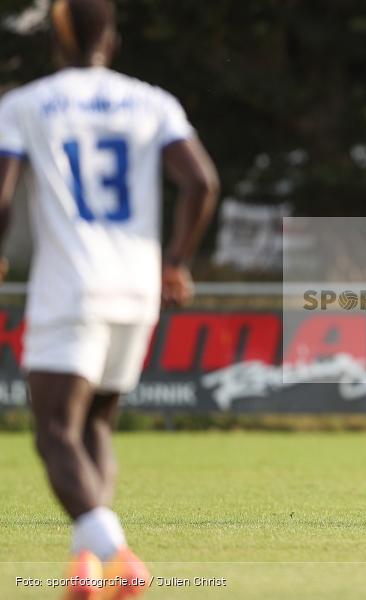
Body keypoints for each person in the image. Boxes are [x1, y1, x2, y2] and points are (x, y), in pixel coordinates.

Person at [0, 1, 219, 597]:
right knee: (96, 421)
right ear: (112, 41)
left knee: (52, 430)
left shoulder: (25, 105)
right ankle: (87, 568)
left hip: (72, 285)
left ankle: (117, 555)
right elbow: (201, 181)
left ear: (56, 43)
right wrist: (175, 261)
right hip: (137, 286)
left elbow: (1, 193)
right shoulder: (153, 101)